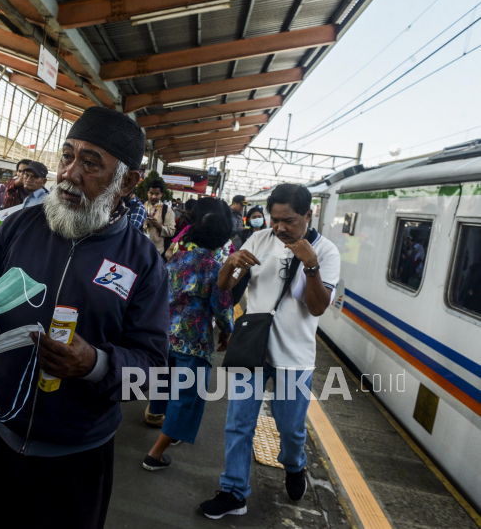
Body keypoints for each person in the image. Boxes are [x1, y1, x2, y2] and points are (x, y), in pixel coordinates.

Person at [0, 106, 169, 529]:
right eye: (67, 155)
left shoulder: (143, 263)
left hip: (76, 458)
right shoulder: (19, 226)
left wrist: (94, 364)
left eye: (91, 163)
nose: (69, 173)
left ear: (127, 182)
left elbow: (154, 369)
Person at [198, 183, 341, 520]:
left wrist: (311, 267)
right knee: (238, 423)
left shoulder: (327, 252)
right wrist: (232, 264)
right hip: (253, 350)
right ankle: (234, 491)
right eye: (275, 220)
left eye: (288, 220)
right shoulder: (260, 240)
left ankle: (294, 464)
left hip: (295, 357)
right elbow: (226, 285)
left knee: (290, 427)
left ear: (308, 215)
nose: (279, 228)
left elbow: (318, 307)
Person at [143, 198, 234, 471]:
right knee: (186, 400)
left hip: (164, 335)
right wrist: (227, 333)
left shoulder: (177, 259)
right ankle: (155, 454)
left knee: (163, 383)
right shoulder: (216, 269)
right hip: (194, 344)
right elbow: (222, 309)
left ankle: (156, 415)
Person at [231, 205, 267, 306]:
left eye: (259, 216)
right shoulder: (243, 234)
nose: (257, 219)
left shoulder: (269, 235)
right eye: (254, 217)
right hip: (244, 270)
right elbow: (236, 252)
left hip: (262, 270)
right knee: (235, 296)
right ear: (249, 220)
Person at [144, 178, 175, 255]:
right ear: (147, 193)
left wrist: (159, 226)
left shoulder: (166, 210)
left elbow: (171, 232)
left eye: (157, 194)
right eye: (151, 193)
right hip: (140, 248)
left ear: (161, 194)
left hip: (157, 251)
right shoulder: (142, 207)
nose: (153, 196)